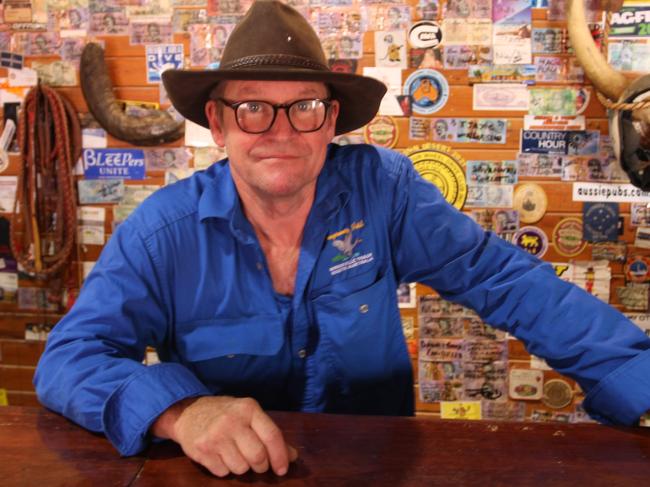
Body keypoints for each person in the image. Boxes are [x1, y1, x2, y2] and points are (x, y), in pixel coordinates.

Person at [34, 0, 650, 479]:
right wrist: (181, 411)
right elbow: (69, 360)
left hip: (376, 471)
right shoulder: (159, 233)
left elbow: (506, 281)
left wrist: (637, 378)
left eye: (303, 107)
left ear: (331, 120)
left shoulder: (385, 190)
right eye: (253, 108)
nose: (280, 130)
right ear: (218, 124)